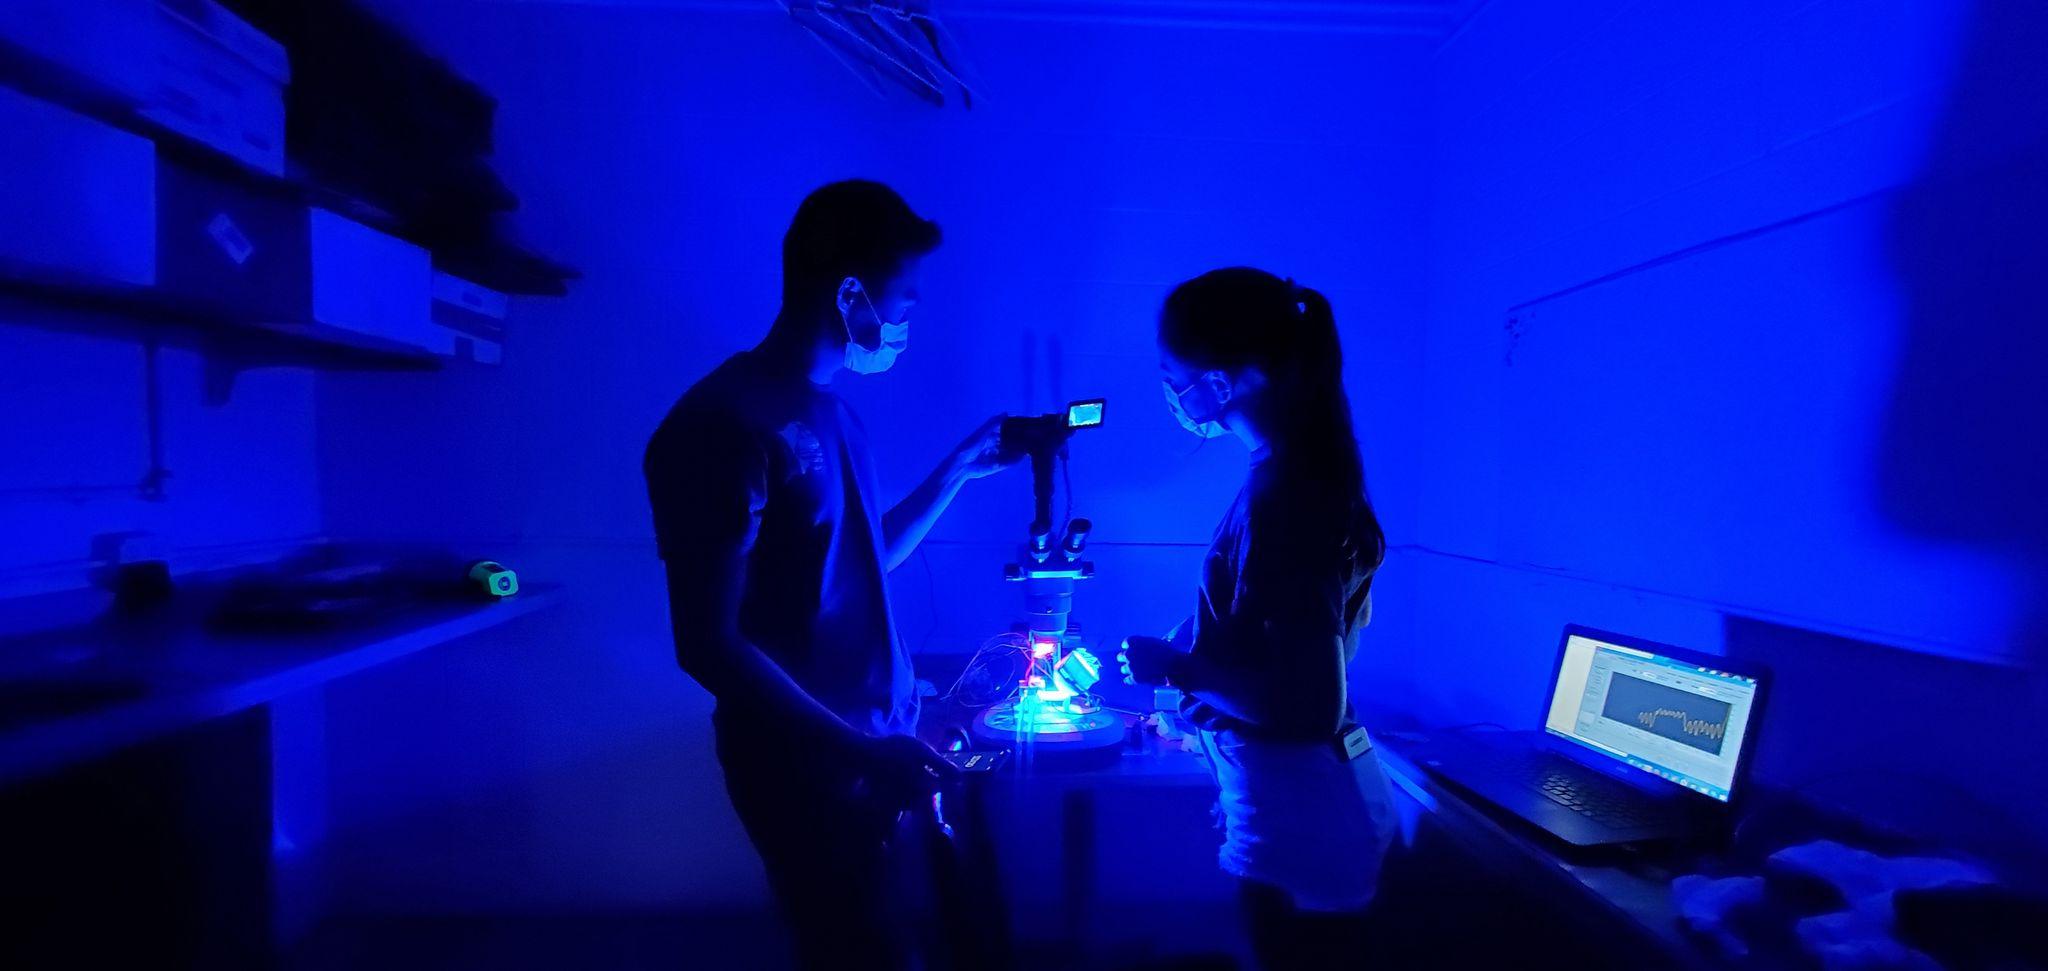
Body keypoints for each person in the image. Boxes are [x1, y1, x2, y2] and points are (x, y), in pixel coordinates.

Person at [643, 180, 1014, 969]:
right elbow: (707, 644)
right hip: (805, 766)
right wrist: (854, 748)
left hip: (870, 748)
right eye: (903, 301)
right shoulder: (718, 425)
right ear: (851, 292)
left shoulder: (834, 411)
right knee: (858, 950)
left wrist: (959, 469)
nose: (909, 320)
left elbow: (859, 553)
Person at [1117, 267, 1399, 970]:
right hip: (1298, 813)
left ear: (1223, 380)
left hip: (1304, 832)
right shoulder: (1294, 474)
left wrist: (1177, 666)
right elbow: (1288, 649)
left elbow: (1307, 705)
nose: (1169, 394)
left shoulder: (1286, 495)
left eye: (1171, 374)